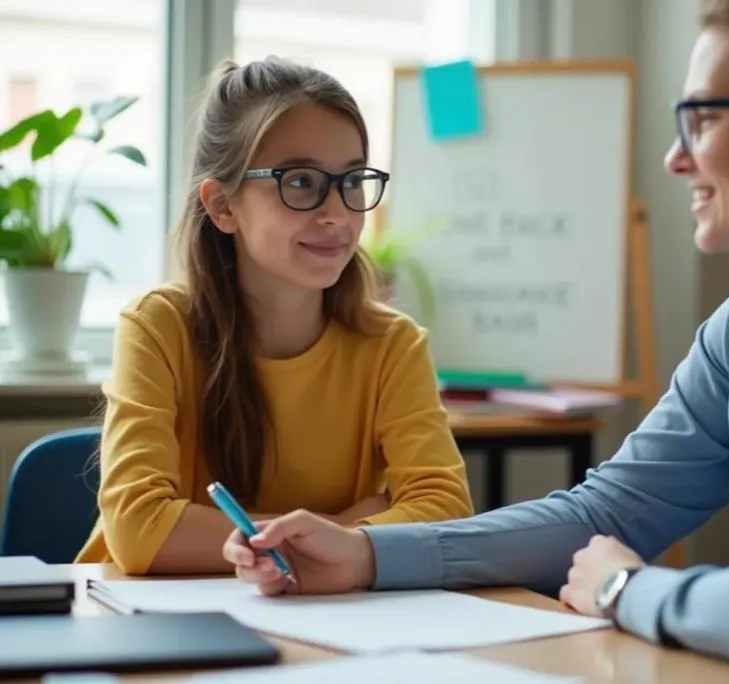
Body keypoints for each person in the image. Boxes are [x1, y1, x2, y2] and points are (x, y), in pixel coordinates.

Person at [222, 2, 729, 681]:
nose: (674, 157)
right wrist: (365, 555)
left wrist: (626, 591)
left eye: (701, 118)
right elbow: (610, 510)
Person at [76, 57, 474, 576]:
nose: (338, 213)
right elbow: (138, 529)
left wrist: (318, 538)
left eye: (353, 180)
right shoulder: (157, 327)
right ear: (222, 206)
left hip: (322, 624)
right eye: (302, 182)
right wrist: (345, 529)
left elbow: (445, 512)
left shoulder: (392, 346)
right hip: (148, 620)